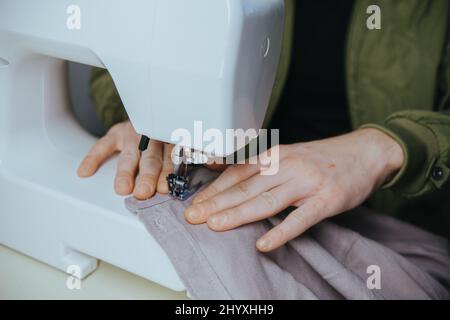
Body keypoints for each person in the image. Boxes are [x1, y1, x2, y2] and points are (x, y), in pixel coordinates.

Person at [78, 0, 450, 252]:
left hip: (393, 226)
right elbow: (120, 49)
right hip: (224, 183)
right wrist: (143, 105)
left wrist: (387, 147)